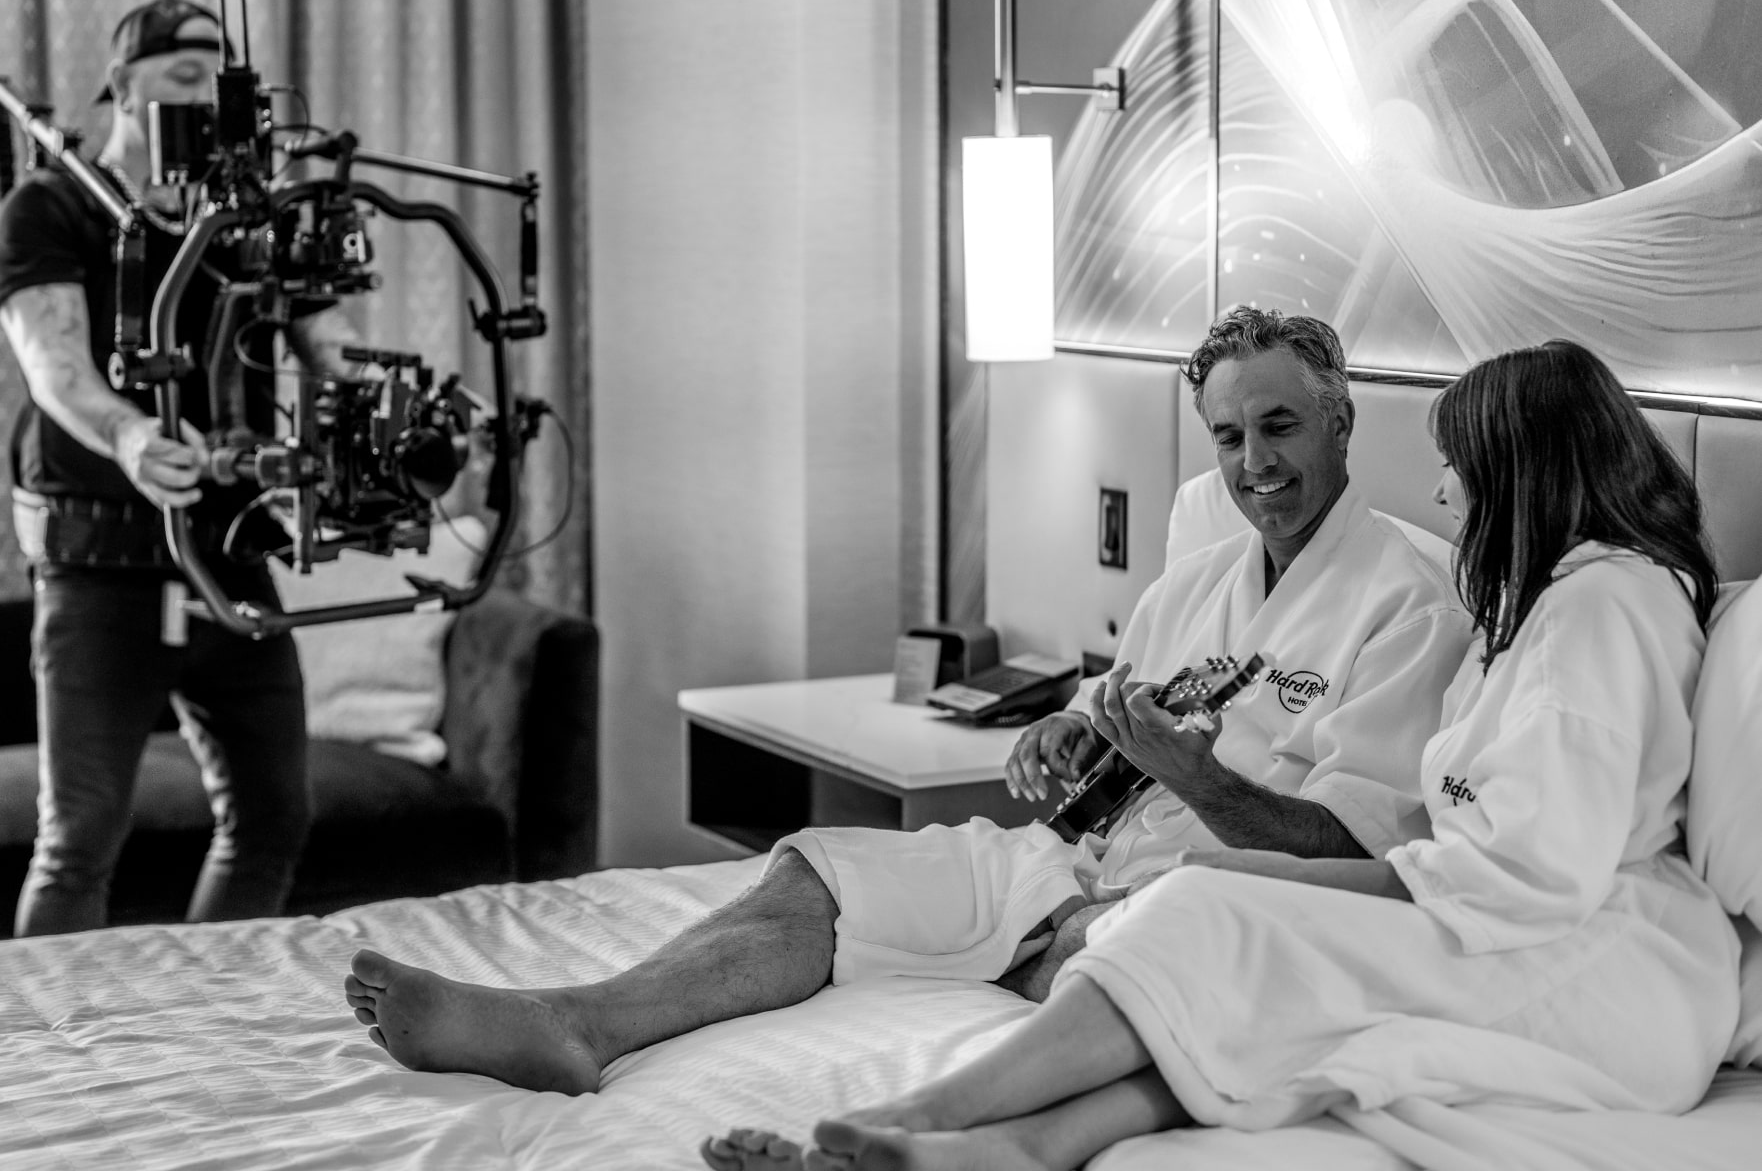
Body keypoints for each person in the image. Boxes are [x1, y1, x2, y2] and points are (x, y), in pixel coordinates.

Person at [706, 339, 1741, 1171]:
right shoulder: (1548, 603)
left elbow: (1525, 870)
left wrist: (1275, 874)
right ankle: (1024, 1149)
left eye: (1454, 465)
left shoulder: (1593, 611)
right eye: (1227, 436)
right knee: (1238, 961)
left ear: (1520, 466)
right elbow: (1498, 835)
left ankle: (913, 1115)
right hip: (1511, 915)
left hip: (1592, 957)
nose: (1441, 491)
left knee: (1210, 910)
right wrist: (1092, 733)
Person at [341, 306, 1473, 1097]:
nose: (1253, 463)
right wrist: (1062, 733)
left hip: (1201, 901)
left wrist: (1200, 781)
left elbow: (1357, 850)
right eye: (1228, 437)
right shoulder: (1199, 576)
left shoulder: (1408, 605)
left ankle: (1034, 974)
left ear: (1340, 422)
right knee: (816, 871)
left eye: (1279, 426)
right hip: (1073, 860)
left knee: (1102, 947)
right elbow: (1107, 709)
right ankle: (576, 1021)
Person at [0, 0, 359, 935]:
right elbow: (53, 365)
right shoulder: (52, 206)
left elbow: (332, 346)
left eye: (221, 85)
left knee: (273, 819)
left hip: (228, 551)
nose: (207, 102)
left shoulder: (247, 222)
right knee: (78, 841)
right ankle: (44, 1029)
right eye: (185, 78)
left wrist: (413, 414)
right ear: (123, 86)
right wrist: (129, 435)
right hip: (99, 565)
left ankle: (208, 1006)